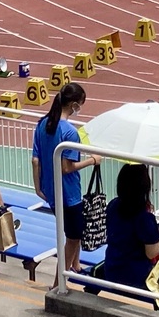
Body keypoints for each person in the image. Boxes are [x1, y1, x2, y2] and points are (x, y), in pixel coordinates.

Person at [31, 83, 100, 284]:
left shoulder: (42, 124)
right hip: (69, 193)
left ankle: (75, 266)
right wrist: (92, 160)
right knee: (73, 236)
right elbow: (67, 168)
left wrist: (38, 188)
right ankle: (58, 281)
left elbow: (35, 160)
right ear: (73, 104)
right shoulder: (70, 132)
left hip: (50, 191)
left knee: (72, 232)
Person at [104, 163, 159, 289]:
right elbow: (151, 253)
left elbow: (126, 233)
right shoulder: (145, 218)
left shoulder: (113, 205)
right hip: (135, 278)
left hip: (111, 269)